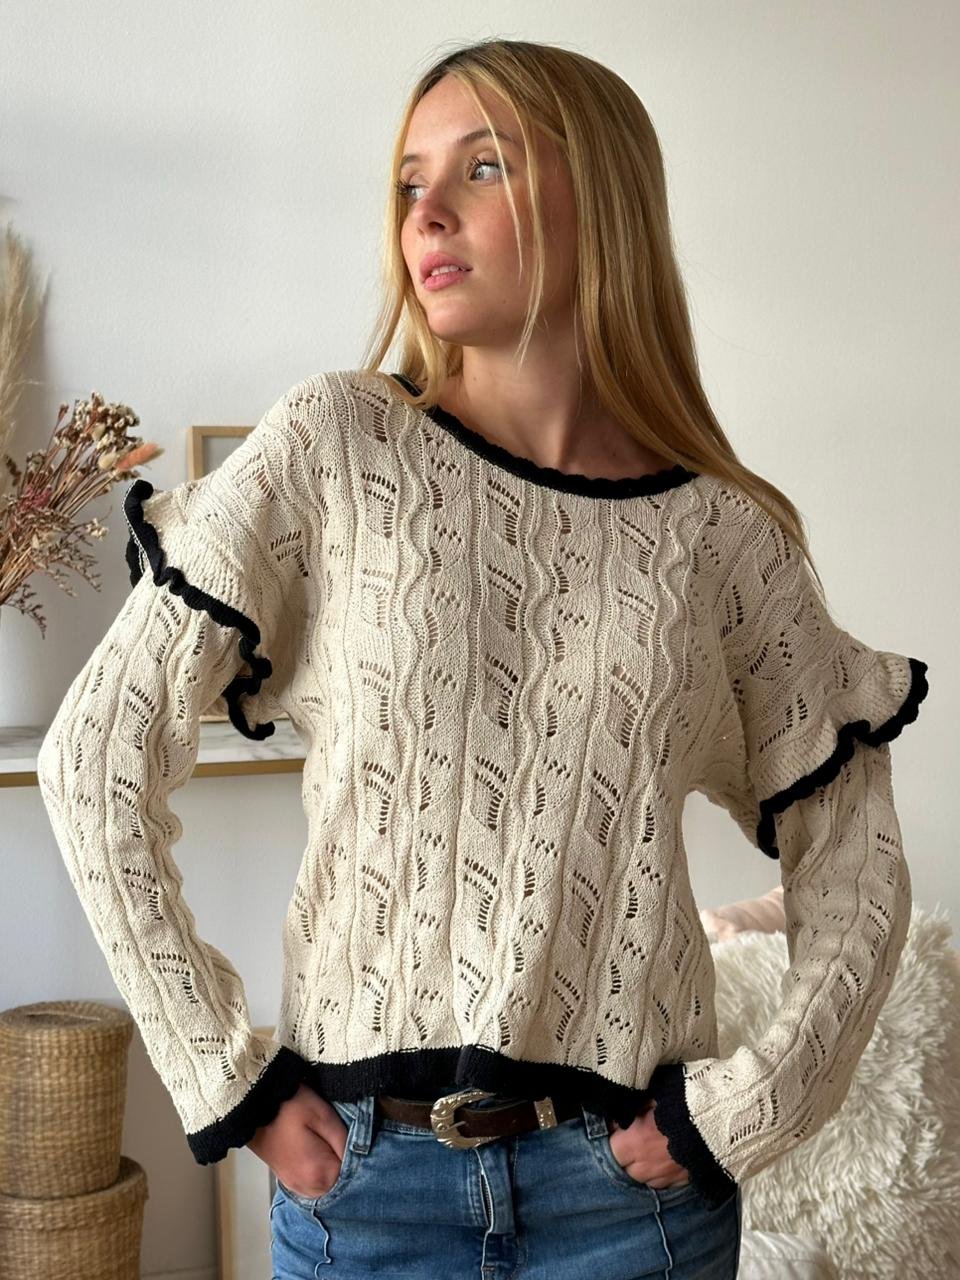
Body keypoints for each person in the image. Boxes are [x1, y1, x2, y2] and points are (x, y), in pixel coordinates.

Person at [37, 37, 929, 1280]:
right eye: (410, 180)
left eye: (484, 166)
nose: (427, 213)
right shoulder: (337, 447)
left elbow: (859, 872)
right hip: (365, 1194)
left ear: (600, 202)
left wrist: (742, 1111)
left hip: (630, 1213)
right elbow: (94, 759)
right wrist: (230, 1077)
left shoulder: (723, 537)